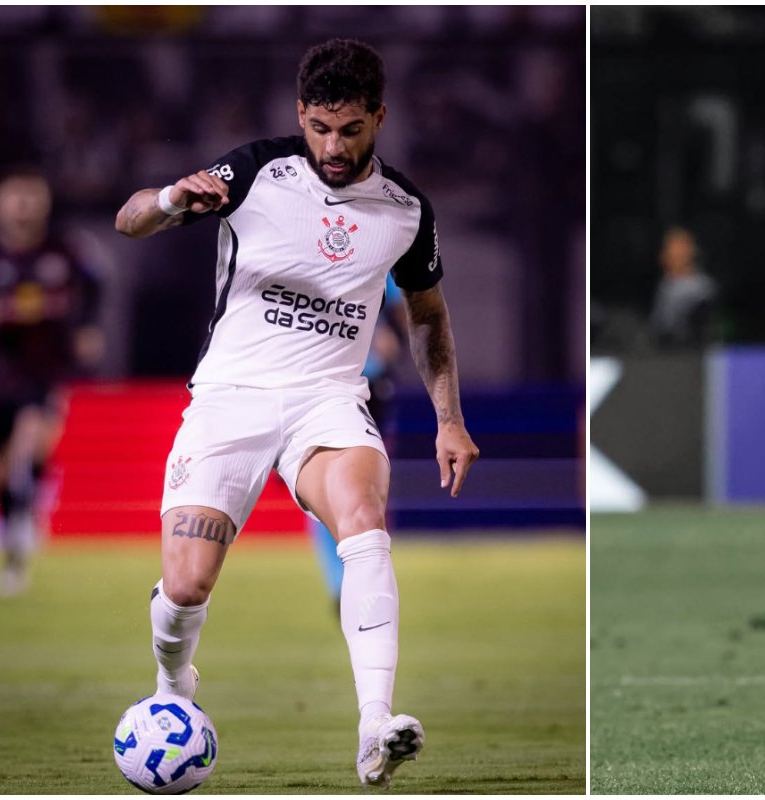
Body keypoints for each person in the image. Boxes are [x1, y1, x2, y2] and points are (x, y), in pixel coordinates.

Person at [114, 39, 480, 789]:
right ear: (299, 117)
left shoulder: (406, 210)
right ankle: (173, 684)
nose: (333, 146)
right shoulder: (254, 170)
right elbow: (129, 220)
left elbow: (429, 317)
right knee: (184, 588)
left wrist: (450, 417)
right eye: (319, 127)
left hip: (328, 402)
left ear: (379, 116)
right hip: (231, 399)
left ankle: (375, 724)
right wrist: (174, 201)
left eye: (350, 129)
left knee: (364, 524)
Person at [0, 167, 104, 595]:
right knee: (3, 469)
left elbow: (95, 287)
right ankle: (16, 527)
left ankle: (25, 522)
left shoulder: (64, 251)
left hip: (42, 371)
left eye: (30, 195)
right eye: (14, 195)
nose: (22, 205)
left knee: (31, 441)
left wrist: (88, 329)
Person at [311, 276, 409, 614]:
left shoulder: (382, 253)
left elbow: (402, 312)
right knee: (323, 489)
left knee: (367, 486)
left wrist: (391, 337)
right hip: (318, 382)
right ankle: (343, 583)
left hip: (369, 381)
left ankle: (361, 576)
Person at [647, 226, 717, 349]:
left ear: (692, 251)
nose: (673, 253)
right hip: (662, 353)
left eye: (679, 248)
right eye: (669, 248)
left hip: (691, 354)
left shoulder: (703, 288)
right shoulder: (665, 284)